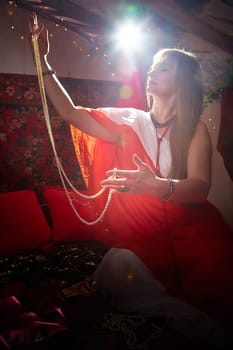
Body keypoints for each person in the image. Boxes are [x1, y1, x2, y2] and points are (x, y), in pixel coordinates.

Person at [29, 13, 233, 343]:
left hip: (193, 229)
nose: (152, 71)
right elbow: (70, 113)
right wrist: (43, 61)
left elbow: (199, 188)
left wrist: (157, 186)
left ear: (182, 80)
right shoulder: (128, 123)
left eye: (163, 67)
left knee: (219, 278)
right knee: (119, 269)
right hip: (145, 234)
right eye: (152, 66)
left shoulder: (193, 130)